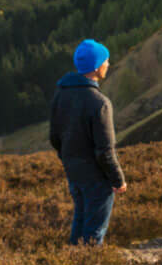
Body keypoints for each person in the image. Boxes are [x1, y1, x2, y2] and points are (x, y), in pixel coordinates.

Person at [49, 38, 127, 245]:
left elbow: (54, 136)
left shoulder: (61, 93)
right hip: (96, 175)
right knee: (94, 230)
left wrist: (68, 158)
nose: (108, 64)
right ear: (96, 66)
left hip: (73, 169)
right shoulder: (99, 103)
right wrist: (118, 180)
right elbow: (105, 151)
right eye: (106, 61)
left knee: (81, 219)